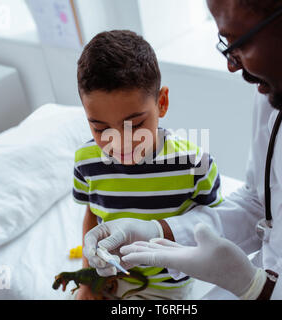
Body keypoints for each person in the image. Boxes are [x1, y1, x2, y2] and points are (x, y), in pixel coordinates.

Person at [84, 0, 282, 300]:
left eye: (239, 42)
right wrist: (159, 231)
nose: (231, 65)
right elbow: (260, 203)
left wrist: (257, 288)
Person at [73, 30, 224, 300]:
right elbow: (91, 215)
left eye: (136, 125)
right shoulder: (86, 160)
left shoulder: (194, 164)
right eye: (100, 128)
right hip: (109, 277)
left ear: (162, 102)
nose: (119, 143)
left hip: (167, 287)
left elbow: (218, 226)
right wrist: (88, 279)